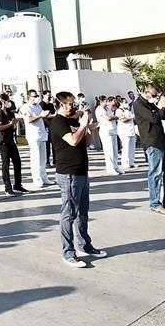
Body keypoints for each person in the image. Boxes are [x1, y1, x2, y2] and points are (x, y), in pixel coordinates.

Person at [51, 91, 107, 268]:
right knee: (69, 214)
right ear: (60, 105)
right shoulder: (58, 122)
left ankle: (84, 245)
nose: (73, 106)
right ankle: (68, 252)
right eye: (69, 104)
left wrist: (90, 129)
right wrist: (82, 126)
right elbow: (73, 141)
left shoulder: (74, 120)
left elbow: (85, 142)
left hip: (82, 171)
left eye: (73, 103)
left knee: (82, 212)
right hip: (68, 173)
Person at [133, 84, 165, 216]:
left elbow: (162, 116)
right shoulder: (138, 104)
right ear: (147, 92)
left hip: (161, 141)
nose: (155, 98)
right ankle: (155, 203)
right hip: (152, 142)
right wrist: (162, 107)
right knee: (155, 173)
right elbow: (154, 118)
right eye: (154, 95)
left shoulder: (150, 104)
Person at [0, 94, 25, 196]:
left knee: (17, 162)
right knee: (6, 164)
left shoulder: (9, 112)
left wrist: (15, 123)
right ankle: (7, 188)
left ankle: (18, 184)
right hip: (3, 141)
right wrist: (10, 124)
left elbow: (13, 123)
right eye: (7, 101)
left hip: (11, 139)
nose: (9, 102)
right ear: (3, 102)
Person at [21, 90, 51, 189]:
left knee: (43, 158)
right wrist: (40, 116)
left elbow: (43, 116)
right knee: (35, 158)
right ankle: (36, 178)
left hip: (41, 134)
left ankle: (44, 177)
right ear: (29, 97)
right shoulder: (26, 107)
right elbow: (29, 120)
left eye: (37, 96)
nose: (36, 97)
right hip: (33, 135)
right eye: (34, 96)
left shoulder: (38, 106)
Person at [96, 97, 122, 175]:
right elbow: (108, 118)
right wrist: (117, 117)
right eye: (105, 101)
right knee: (109, 151)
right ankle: (110, 168)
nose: (107, 103)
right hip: (106, 132)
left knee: (115, 150)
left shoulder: (107, 108)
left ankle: (116, 166)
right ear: (101, 101)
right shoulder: (99, 109)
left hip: (113, 131)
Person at [116, 97, 137, 171]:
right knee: (126, 147)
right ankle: (125, 163)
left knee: (132, 147)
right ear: (120, 103)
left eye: (126, 102)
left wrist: (133, 117)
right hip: (124, 131)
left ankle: (131, 162)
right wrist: (131, 117)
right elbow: (123, 120)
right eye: (124, 102)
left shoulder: (128, 110)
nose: (126, 103)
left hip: (131, 130)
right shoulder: (119, 110)